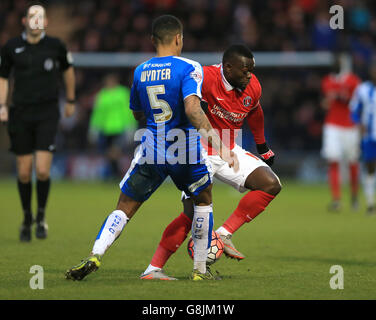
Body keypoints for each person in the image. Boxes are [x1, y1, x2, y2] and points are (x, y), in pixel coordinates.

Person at [65, 15, 238, 282]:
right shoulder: (190, 67)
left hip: (152, 149)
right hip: (185, 150)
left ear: (152, 41)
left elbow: (136, 113)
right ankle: (199, 272)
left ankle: (95, 254)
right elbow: (193, 109)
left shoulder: (140, 70)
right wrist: (221, 146)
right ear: (179, 38)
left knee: (125, 205)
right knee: (203, 201)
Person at [140, 44, 282, 280]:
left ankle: (223, 234)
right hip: (197, 149)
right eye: (245, 70)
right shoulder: (204, 77)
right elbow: (179, 102)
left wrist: (263, 147)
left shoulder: (253, 86)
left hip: (229, 148)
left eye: (251, 70)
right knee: (191, 214)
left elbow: (255, 113)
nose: (250, 75)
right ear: (227, 67)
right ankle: (153, 269)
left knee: (271, 184)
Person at [0, 2, 75, 241]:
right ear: (24, 21)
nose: (35, 20)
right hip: (20, 113)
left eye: (40, 16)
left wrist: (71, 99)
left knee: (42, 170)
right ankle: (26, 217)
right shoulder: (11, 47)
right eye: (32, 15)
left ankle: (41, 217)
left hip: (47, 113)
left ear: (46, 22)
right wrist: (2, 105)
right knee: (23, 172)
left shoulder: (56, 46)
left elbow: (68, 71)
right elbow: (3, 78)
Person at [320, 54, 361, 212]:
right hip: (333, 125)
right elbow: (327, 101)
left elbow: (355, 102)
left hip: (351, 125)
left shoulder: (353, 81)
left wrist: (342, 97)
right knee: (333, 159)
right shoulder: (327, 81)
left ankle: (354, 196)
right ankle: (336, 200)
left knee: (352, 161)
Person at [89, 73, 137, 179]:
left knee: (115, 151)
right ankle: (115, 174)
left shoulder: (122, 93)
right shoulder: (102, 95)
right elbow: (98, 113)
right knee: (109, 153)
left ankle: (115, 173)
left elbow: (128, 110)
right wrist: (94, 128)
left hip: (120, 127)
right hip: (106, 129)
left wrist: (131, 125)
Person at [350, 63, 376, 215]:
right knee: (370, 167)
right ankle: (370, 203)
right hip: (369, 136)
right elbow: (354, 111)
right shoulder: (363, 89)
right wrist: (359, 124)